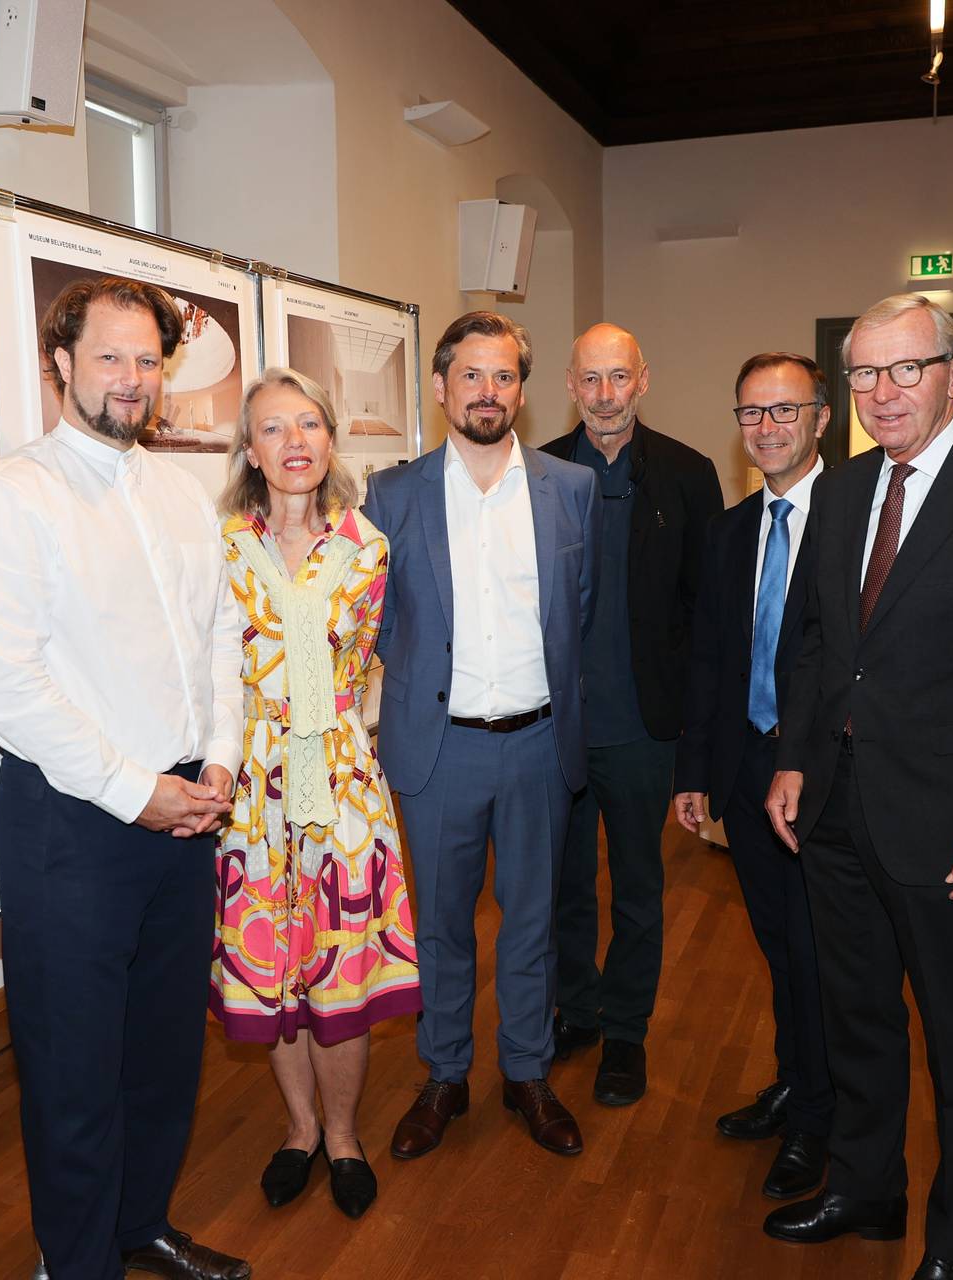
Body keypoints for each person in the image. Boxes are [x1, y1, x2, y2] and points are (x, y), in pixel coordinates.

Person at [0, 276, 251, 1280]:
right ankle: (77, 1264)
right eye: (110, 357)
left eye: (147, 359)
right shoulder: (14, 495)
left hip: (183, 806)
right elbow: (8, 685)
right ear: (61, 364)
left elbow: (219, 634)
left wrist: (218, 755)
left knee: (162, 1052)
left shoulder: (176, 490)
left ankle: (138, 1225)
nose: (131, 378)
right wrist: (137, 787)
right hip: (73, 820)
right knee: (75, 1069)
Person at [761, 293, 953, 1280]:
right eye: (864, 373)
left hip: (950, 824)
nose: (883, 392)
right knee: (857, 1013)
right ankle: (868, 1185)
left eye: (906, 369)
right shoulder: (843, 489)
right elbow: (816, 639)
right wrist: (796, 757)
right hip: (837, 807)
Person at [363, 311, 598, 1162]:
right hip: (439, 750)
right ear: (440, 386)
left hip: (539, 743)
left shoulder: (571, 491)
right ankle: (445, 1074)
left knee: (533, 920)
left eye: (503, 377)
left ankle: (528, 1073)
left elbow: (579, 612)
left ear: (523, 392)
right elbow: (380, 625)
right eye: (471, 375)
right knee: (443, 926)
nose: (487, 392)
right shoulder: (392, 496)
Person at [209, 368, 421, 1221]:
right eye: (273, 429)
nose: (294, 442)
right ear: (251, 451)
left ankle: (343, 1136)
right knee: (276, 968)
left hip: (340, 780)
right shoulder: (220, 548)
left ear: (330, 441)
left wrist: (354, 743)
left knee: (339, 964)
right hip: (252, 786)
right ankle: (297, 1129)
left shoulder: (368, 549)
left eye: (309, 425)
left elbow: (371, 662)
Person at [538, 323, 722, 1106]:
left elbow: (708, 616)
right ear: (571, 386)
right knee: (564, 888)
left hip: (646, 730)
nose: (606, 395)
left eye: (620, 378)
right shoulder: (536, 472)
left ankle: (626, 1034)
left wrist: (697, 749)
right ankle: (576, 1012)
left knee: (639, 889)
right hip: (553, 730)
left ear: (644, 381)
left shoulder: (687, 474)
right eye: (591, 379)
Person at [674, 352, 833, 1201]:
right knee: (777, 945)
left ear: (820, 418)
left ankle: (820, 1112)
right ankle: (794, 1079)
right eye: (751, 414)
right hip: (744, 769)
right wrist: (695, 767)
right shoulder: (731, 531)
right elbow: (709, 658)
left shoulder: (852, 521)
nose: (767, 428)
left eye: (785, 411)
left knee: (816, 953)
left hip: (824, 780)